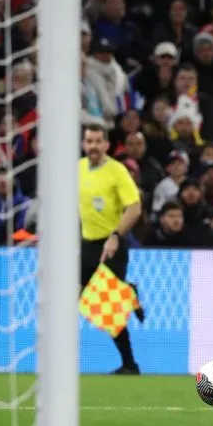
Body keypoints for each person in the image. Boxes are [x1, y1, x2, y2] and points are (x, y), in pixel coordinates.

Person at [79, 123, 144, 375]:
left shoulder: (117, 171)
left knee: (109, 308)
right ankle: (129, 292)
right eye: (89, 141)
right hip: (87, 244)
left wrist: (116, 235)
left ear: (106, 145)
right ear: (84, 144)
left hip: (112, 246)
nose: (93, 146)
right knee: (85, 301)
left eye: (98, 141)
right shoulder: (78, 169)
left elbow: (134, 208)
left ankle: (130, 364)